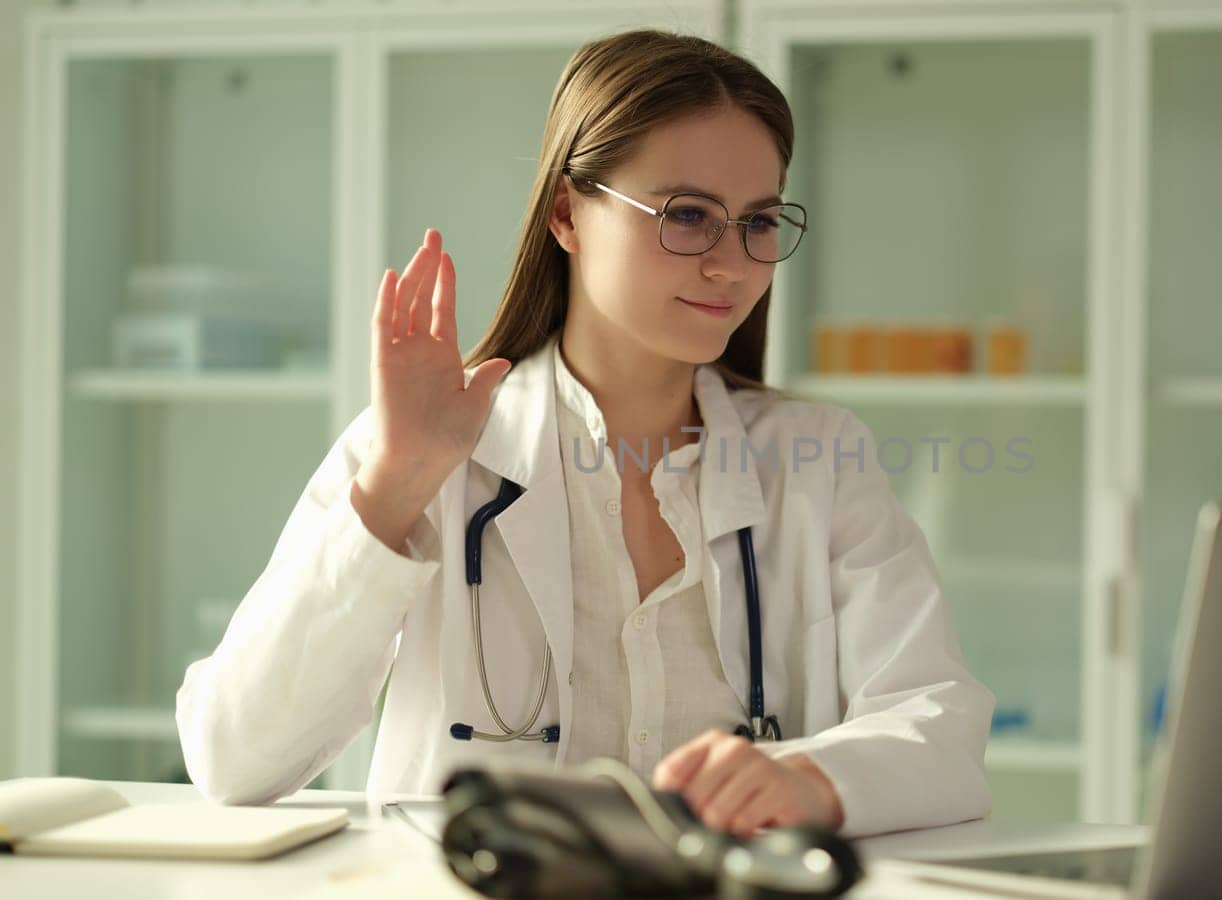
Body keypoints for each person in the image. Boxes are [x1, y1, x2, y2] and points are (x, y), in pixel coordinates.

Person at [176, 28, 993, 839]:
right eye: (687, 215)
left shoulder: (820, 460)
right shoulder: (428, 448)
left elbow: (940, 726)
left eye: (759, 221)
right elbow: (233, 758)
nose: (732, 263)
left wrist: (805, 778)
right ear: (567, 213)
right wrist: (398, 483)